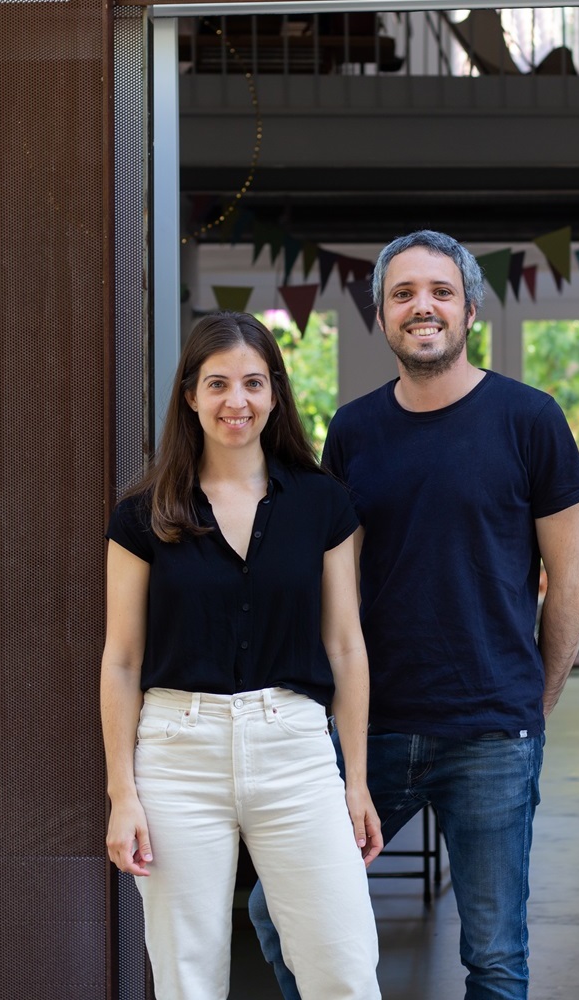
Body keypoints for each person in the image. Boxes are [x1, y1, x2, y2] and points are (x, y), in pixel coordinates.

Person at [249, 230, 579, 999]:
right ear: (382, 316)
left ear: (470, 308)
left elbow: (573, 584)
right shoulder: (355, 429)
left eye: (439, 291)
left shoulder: (529, 419)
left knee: (495, 959)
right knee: (277, 909)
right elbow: (331, 578)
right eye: (403, 294)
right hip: (374, 724)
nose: (422, 307)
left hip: (491, 733)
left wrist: (533, 706)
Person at [100, 311, 383, 1000]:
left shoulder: (322, 504)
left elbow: (345, 646)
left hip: (295, 749)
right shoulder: (143, 513)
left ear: (275, 393)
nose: (237, 401)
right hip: (176, 753)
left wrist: (355, 780)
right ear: (190, 396)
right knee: (186, 976)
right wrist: (121, 793)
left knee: (342, 967)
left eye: (254, 383)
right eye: (218, 383)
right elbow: (121, 660)